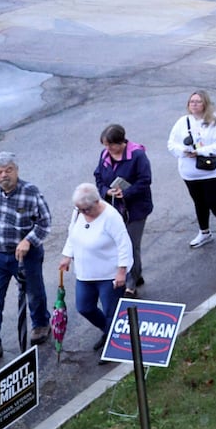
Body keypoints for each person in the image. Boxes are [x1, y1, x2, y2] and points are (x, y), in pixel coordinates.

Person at [0, 152, 52, 368]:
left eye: (8, 171)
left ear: (16, 170)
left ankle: (41, 324)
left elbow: (44, 223)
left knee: (33, 293)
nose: (3, 175)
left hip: (26, 255)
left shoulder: (31, 193)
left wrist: (28, 241)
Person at [58, 183, 133, 353]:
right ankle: (110, 332)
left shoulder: (111, 217)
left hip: (109, 274)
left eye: (86, 209)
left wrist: (122, 271)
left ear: (96, 202)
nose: (82, 213)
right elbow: (73, 234)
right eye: (79, 209)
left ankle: (115, 345)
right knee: (84, 307)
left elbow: (124, 245)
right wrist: (67, 255)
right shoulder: (78, 212)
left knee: (111, 312)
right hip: (85, 273)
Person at [93, 124, 153, 297]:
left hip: (136, 209)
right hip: (114, 208)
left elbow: (145, 180)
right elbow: (98, 177)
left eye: (111, 145)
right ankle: (136, 274)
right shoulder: (105, 155)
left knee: (131, 246)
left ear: (122, 142)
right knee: (119, 244)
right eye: (105, 145)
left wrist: (126, 193)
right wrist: (106, 191)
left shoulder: (137, 156)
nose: (108, 149)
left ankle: (131, 286)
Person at [168, 89, 216, 247]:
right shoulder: (182, 122)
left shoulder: (215, 121)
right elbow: (171, 144)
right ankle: (204, 232)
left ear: (205, 104)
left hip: (214, 171)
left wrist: (200, 152)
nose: (194, 104)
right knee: (199, 202)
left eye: (198, 101)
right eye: (192, 101)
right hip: (190, 173)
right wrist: (183, 152)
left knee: (214, 201)